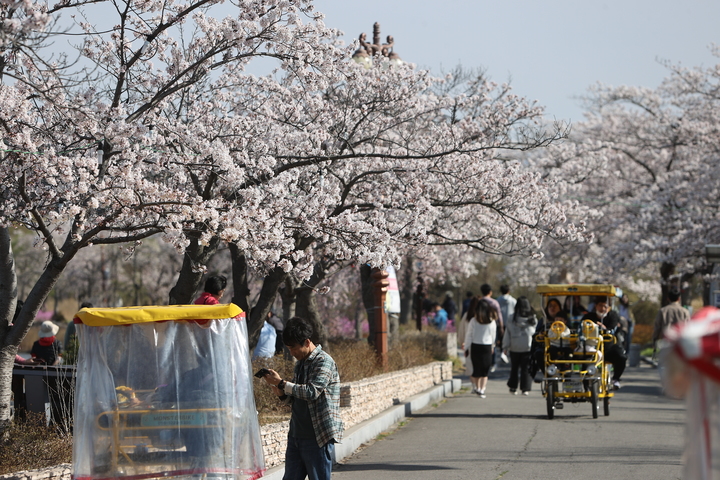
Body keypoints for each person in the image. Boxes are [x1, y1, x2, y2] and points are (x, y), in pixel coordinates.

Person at [262, 317, 343, 480]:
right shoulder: (301, 363)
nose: (291, 352)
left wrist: (282, 383)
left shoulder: (324, 361)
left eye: (293, 348)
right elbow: (297, 397)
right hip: (296, 436)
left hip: (317, 437)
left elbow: (312, 392)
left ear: (307, 342)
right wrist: (281, 392)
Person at [582, 297, 627, 389]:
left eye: (605, 306)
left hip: (608, 348)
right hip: (593, 348)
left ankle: (616, 379)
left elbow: (613, 328)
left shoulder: (613, 316)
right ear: (595, 306)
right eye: (600, 306)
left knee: (621, 357)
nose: (602, 309)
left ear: (609, 308)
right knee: (584, 361)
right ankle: (585, 385)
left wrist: (605, 329)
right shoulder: (588, 317)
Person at [502, 296, 537, 395]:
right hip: (527, 347)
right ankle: (525, 388)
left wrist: (505, 347)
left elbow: (507, 333)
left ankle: (513, 387)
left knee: (514, 368)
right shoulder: (532, 319)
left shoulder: (511, 318)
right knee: (526, 368)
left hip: (514, 346)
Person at [463, 299, 496, 398]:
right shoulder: (491, 321)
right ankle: (482, 389)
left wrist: (466, 347)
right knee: (485, 370)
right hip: (487, 346)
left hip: (475, 346)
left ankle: (477, 388)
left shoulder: (474, 320)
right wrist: (493, 346)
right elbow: (493, 335)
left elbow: (469, 335)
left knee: (477, 369)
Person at [480, 284, 504, 372]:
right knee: (492, 343)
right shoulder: (494, 302)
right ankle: (492, 362)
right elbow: (499, 315)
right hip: (492, 325)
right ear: (490, 292)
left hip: (480, 325)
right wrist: (501, 326)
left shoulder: (480, 302)